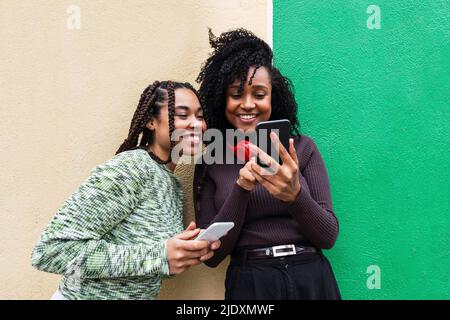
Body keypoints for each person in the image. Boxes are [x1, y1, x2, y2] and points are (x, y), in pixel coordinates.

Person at [31, 80, 220, 300]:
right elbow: (50, 251)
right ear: (151, 121)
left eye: (200, 116)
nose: (196, 124)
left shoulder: (172, 184)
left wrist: (180, 253)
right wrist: (159, 255)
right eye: (182, 115)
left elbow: (143, 265)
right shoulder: (131, 168)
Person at [194, 29, 341, 300]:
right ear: (222, 100)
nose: (247, 104)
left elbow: (328, 236)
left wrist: (295, 196)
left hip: (311, 277)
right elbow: (212, 256)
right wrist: (241, 188)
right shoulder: (210, 160)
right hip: (251, 283)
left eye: (259, 94)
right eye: (236, 94)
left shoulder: (302, 148)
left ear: (273, 99)